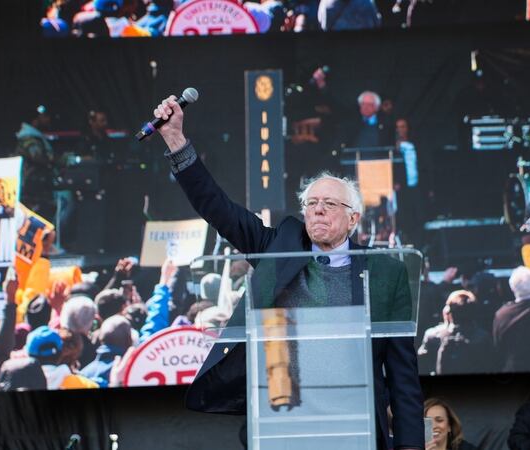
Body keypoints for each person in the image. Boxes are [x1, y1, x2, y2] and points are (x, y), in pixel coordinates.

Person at [152, 95, 424, 449]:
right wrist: (176, 141)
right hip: (283, 426)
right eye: (311, 203)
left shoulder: (385, 272)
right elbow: (217, 207)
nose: (318, 210)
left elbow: (403, 379)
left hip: (353, 427)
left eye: (330, 204)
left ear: (353, 218)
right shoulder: (278, 248)